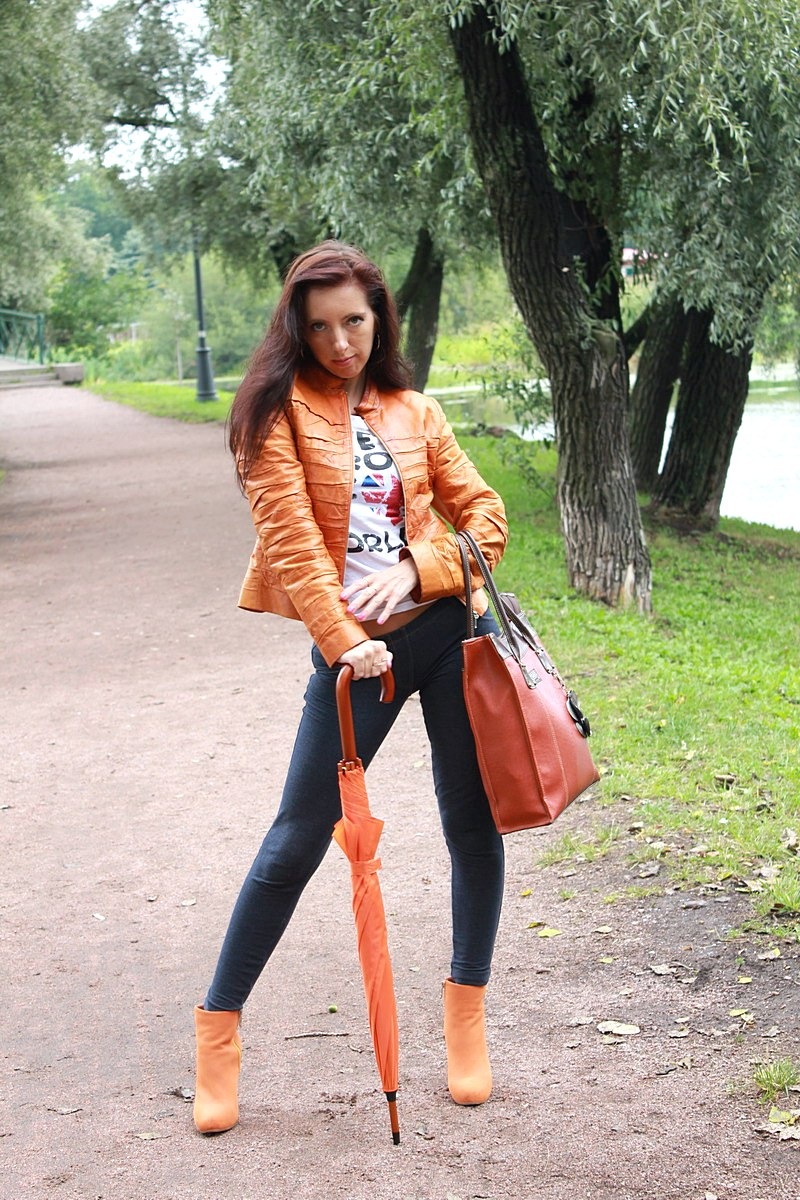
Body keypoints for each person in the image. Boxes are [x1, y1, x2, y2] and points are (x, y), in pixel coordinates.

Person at [193, 241, 508, 1134]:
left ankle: (466, 1020)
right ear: (297, 328)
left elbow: (485, 518)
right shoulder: (273, 417)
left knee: (472, 825)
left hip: (449, 635)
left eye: (356, 322)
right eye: (322, 327)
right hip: (355, 661)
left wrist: (417, 569)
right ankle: (217, 1032)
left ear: (379, 317)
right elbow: (293, 546)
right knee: (295, 840)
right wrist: (344, 643)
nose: (341, 342)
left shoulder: (414, 409)